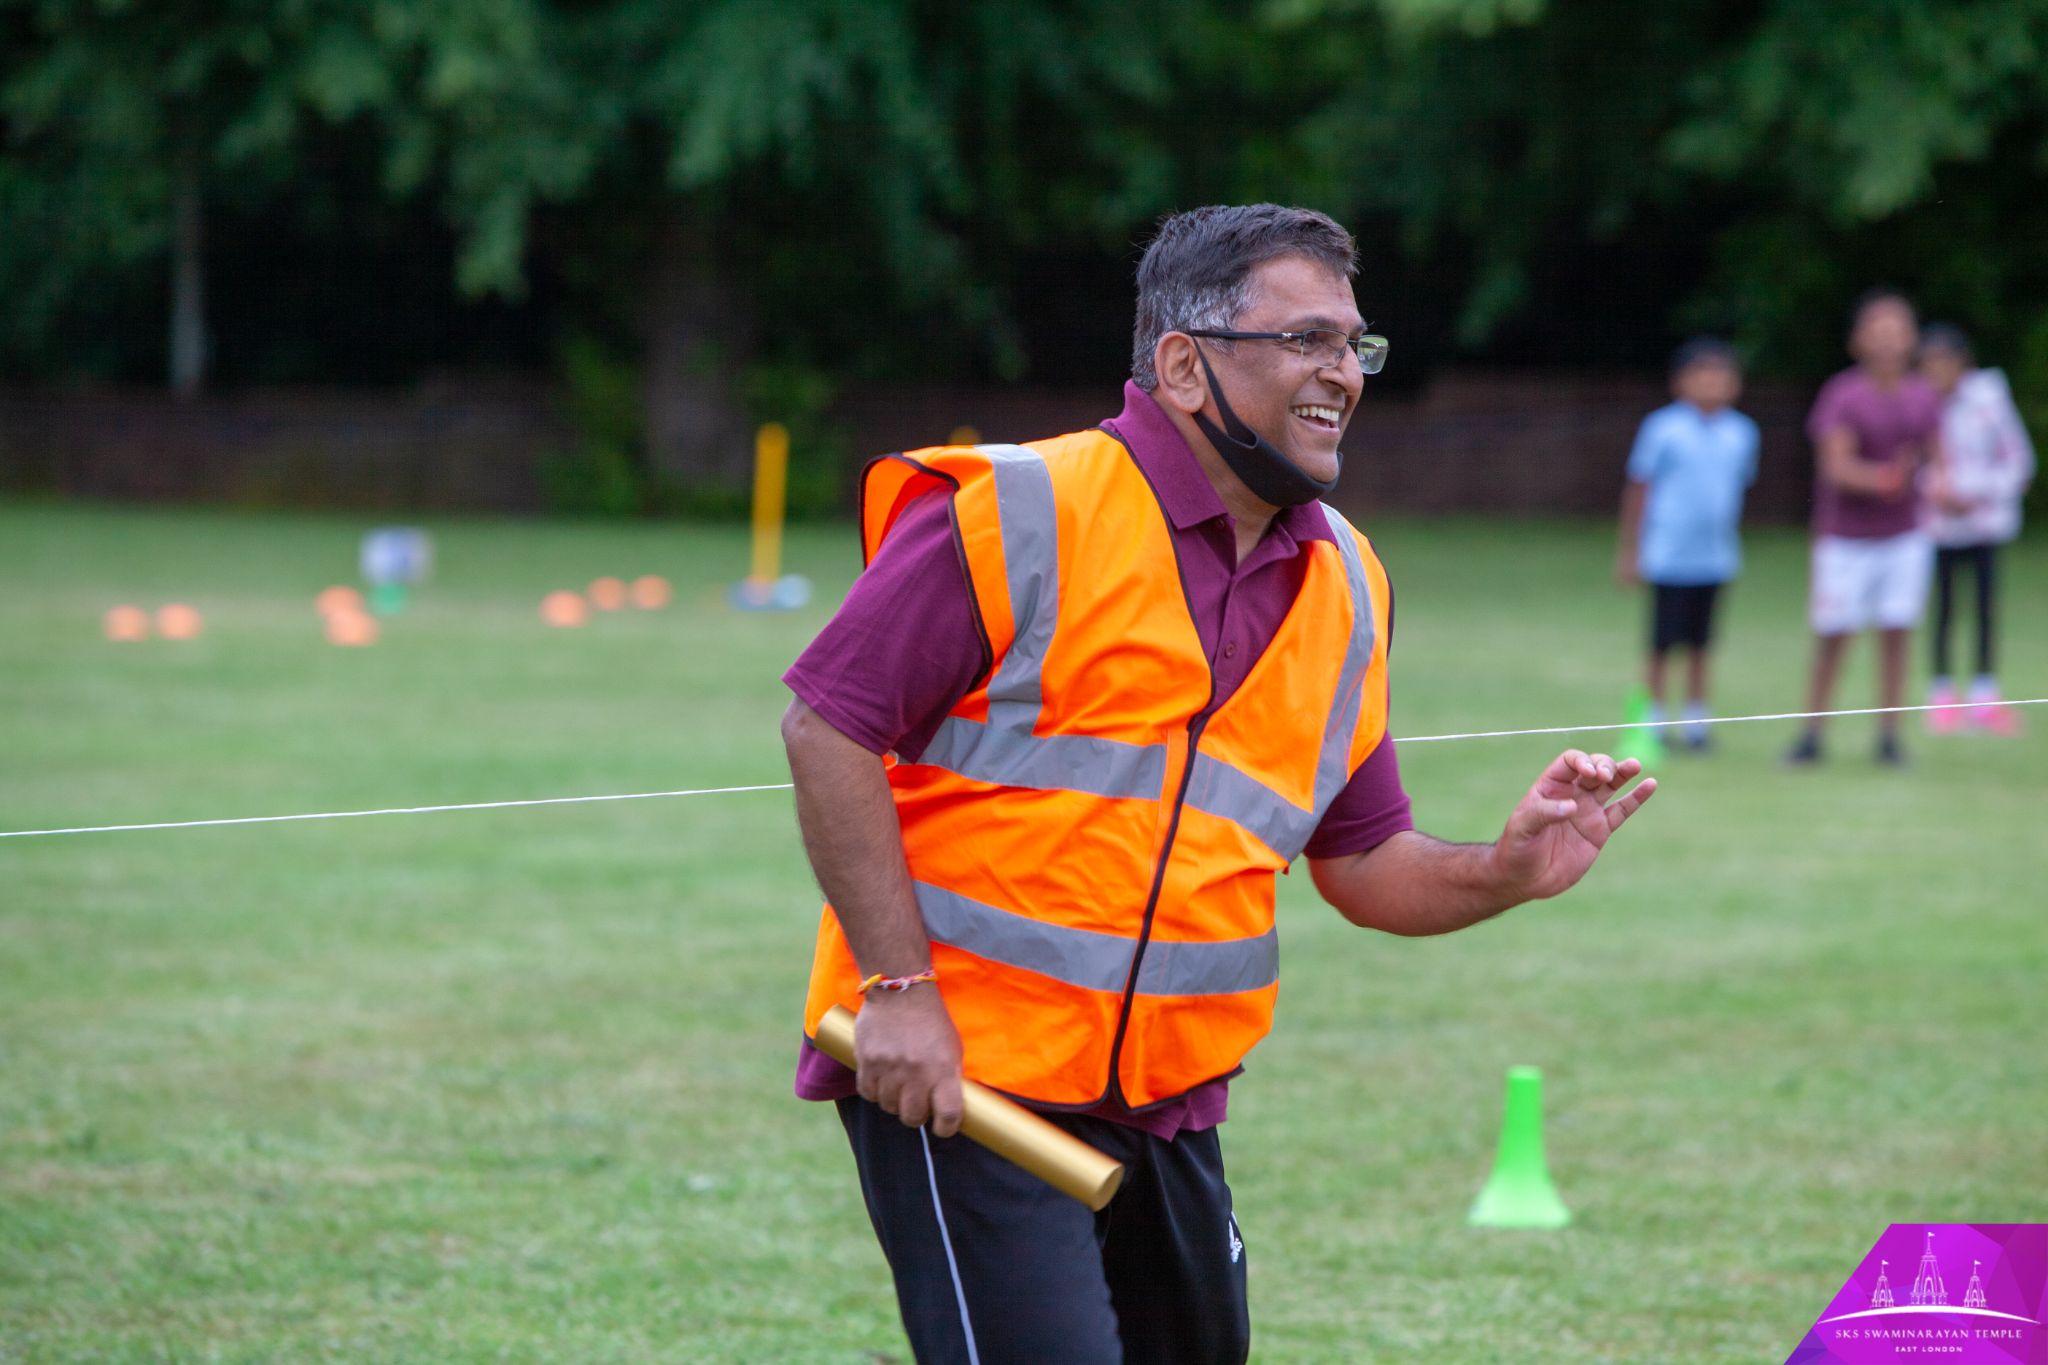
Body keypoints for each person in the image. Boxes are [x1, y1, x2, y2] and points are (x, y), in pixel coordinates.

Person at [781, 203, 1656, 1365]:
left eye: (1353, 346)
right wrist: (897, 990)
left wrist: (1503, 870)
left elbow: (1362, 863)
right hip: (962, 1078)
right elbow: (824, 726)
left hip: (1172, 1102)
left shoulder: (1347, 581)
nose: (1341, 374)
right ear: (1185, 365)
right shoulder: (1018, 510)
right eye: (1303, 340)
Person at [1785, 289, 1941, 767]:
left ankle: (1890, 736)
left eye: (1898, 331)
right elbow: (1836, 466)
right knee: (1834, 635)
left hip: (1904, 536)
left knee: (1897, 632)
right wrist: (1885, 478)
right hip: (1845, 539)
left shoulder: (1922, 395)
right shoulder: (1842, 394)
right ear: (1858, 340)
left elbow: (1937, 460)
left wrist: (1948, 486)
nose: (1889, 341)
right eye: (1879, 331)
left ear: (1911, 340)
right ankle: (1811, 735)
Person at [1615, 338, 1760, 750]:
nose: (1713, 382)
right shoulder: (1663, 428)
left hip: (1715, 557)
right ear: (1681, 381)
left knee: (1702, 643)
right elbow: (1639, 486)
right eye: (1703, 373)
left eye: (1722, 374)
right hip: (1669, 556)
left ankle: (1697, 722)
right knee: (1661, 644)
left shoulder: (1742, 432)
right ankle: (1652, 723)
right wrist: (1631, 549)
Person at [1916, 323, 2036, 735]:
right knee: (1944, 609)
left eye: (1944, 361)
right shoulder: (1918, 403)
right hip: (1938, 527)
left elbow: (2020, 463)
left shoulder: (1989, 401)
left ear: (1962, 363)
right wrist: (1936, 491)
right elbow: (1910, 463)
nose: (1937, 370)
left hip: (1984, 526)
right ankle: (1942, 696)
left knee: (1985, 609)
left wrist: (1976, 493)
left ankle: (1985, 696)